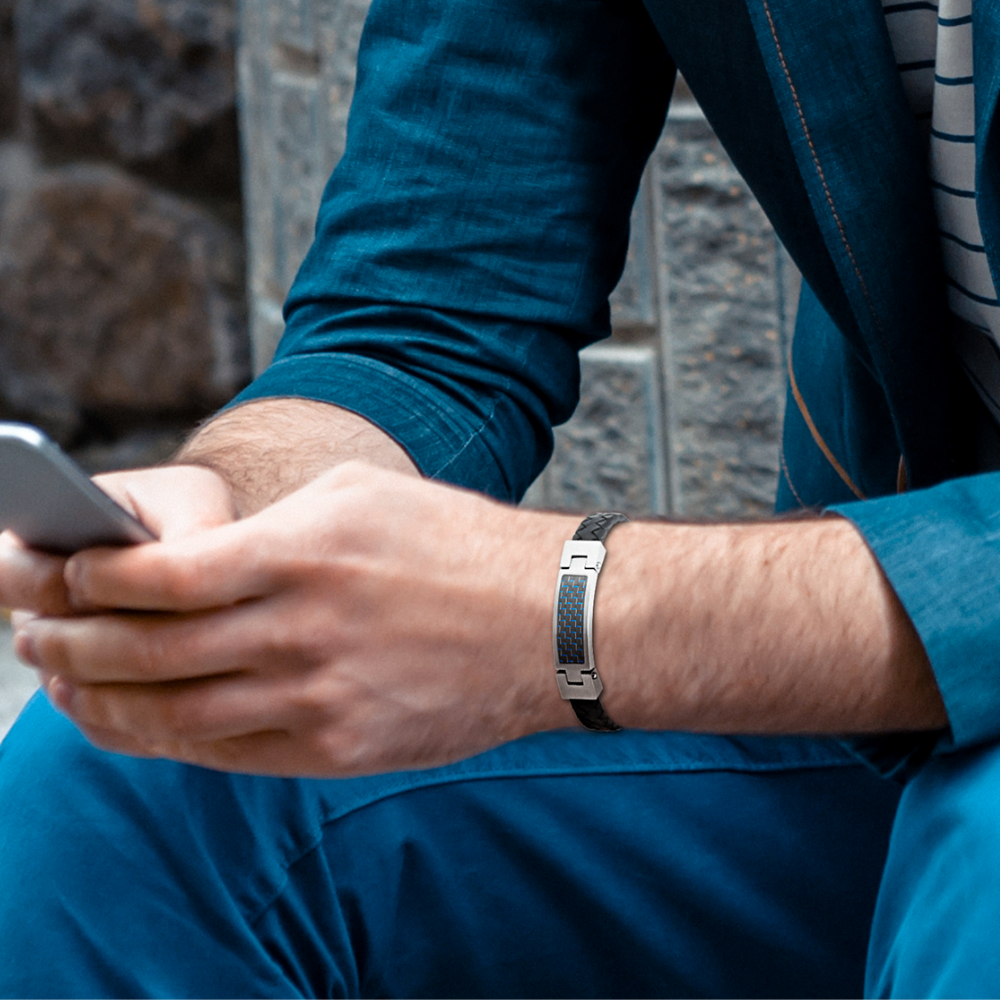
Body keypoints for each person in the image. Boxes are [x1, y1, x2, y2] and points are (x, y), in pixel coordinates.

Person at [1, 0, 999, 995]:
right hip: (866, 718)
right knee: (126, 787)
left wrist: (564, 616)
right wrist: (223, 511)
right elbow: (429, 307)